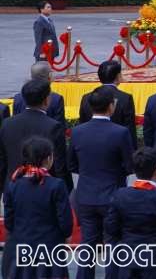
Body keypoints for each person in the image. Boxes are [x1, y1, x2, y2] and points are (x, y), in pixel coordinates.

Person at [70, 88, 134, 279]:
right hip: (112, 195)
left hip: (86, 195)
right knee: (113, 243)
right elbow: (129, 165)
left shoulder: (77, 132)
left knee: (87, 243)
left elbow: (72, 164)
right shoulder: (120, 132)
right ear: (111, 107)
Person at [105, 146, 156, 279]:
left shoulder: (120, 195)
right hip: (154, 260)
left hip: (127, 257)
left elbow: (110, 227)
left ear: (135, 170)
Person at [4, 135, 72, 279]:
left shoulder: (14, 184)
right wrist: (66, 236)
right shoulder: (56, 185)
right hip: (49, 247)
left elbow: (9, 221)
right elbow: (65, 220)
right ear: (49, 158)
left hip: (21, 246)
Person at [2, 80, 69, 182]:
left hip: (13, 184)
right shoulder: (54, 127)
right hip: (43, 187)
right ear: (46, 100)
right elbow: (59, 164)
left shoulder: (7, 124)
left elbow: (2, 160)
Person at [83, 62, 138, 145]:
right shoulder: (125, 98)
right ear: (118, 76)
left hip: (89, 145)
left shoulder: (86, 97)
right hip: (117, 147)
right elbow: (130, 130)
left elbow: (83, 124)